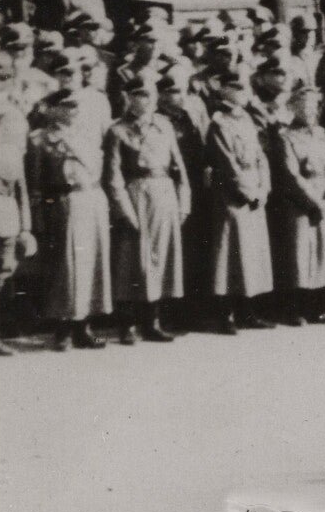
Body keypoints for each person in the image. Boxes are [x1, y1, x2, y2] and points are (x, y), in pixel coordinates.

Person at [104, 71, 191, 343]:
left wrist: (183, 201)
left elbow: (179, 167)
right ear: (128, 99)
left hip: (163, 192)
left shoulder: (164, 125)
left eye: (147, 95)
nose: (143, 100)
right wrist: (124, 210)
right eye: (136, 95)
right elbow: (113, 176)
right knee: (133, 261)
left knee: (161, 259)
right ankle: (127, 324)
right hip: (136, 194)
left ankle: (152, 321)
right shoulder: (117, 130)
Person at [28, 87, 115, 349]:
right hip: (63, 204)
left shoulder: (88, 136)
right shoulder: (40, 139)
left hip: (92, 199)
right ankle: (62, 329)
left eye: (75, 106)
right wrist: (38, 217)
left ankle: (83, 326)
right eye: (66, 105)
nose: (72, 111)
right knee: (66, 267)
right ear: (52, 109)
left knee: (91, 264)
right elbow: (35, 183)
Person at [269, 80, 325, 325]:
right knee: (300, 255)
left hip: (324, 196)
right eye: (304, 107)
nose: (310, 112)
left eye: (314, 107)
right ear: (293, 108)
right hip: (301, 202)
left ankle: (316, 305)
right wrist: (314, 203)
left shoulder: (322, 134)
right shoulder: (285, 137)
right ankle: (295, 308)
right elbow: (290, 175)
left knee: (324, 253)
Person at [204, 70, 277, 333]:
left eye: (242, 88)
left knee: (251, 256)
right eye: (234, 88)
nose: (239, 93)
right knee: (229, 256)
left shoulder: (246, 119)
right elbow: (226, 163)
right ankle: (227, 314)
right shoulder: (219, 123)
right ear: (223, 91)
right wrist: (249, 191)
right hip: (233, 195)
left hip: (254, 190)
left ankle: (249, 311)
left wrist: (264, 187)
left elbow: (260, 156)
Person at [0, 56, 36, 355]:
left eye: (4, 78)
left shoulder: (16, 119)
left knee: (1, 273)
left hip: (5, 206)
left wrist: (25, 224)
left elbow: (19, 177)